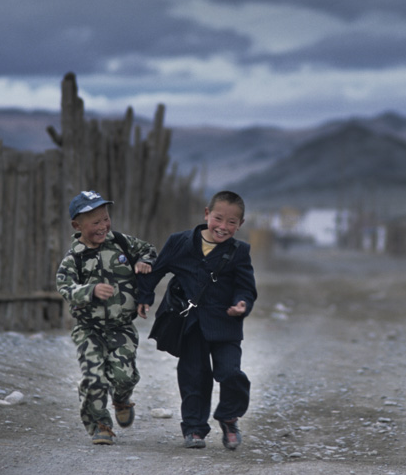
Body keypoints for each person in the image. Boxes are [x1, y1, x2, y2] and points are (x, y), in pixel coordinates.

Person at [137, 190, 257, 450]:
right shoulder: (180, 242)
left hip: (226, 325)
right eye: (218, 218)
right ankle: (194, 429)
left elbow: (246, 287)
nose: (223, 227)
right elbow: (156, 271)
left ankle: (229, 415)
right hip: (189, 324)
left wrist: (242, 304)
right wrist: (144, 296)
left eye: (232, 222)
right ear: (206, 214)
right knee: (193, 376)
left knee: (230, 373)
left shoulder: (240, 251)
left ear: (240, 224)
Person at [55, 190, 157, 445]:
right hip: (89, 328)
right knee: (94, 377)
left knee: (125, 376)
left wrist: (144, 262)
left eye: (105, 219)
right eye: (95, 222)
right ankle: (100, 425)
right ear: (77, 226)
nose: (103, 226)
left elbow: (150, 250)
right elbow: (64, 286)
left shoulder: (121, 243)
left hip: (122, 327)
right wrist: (90, 291)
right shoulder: (74, 258)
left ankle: (121, 398)